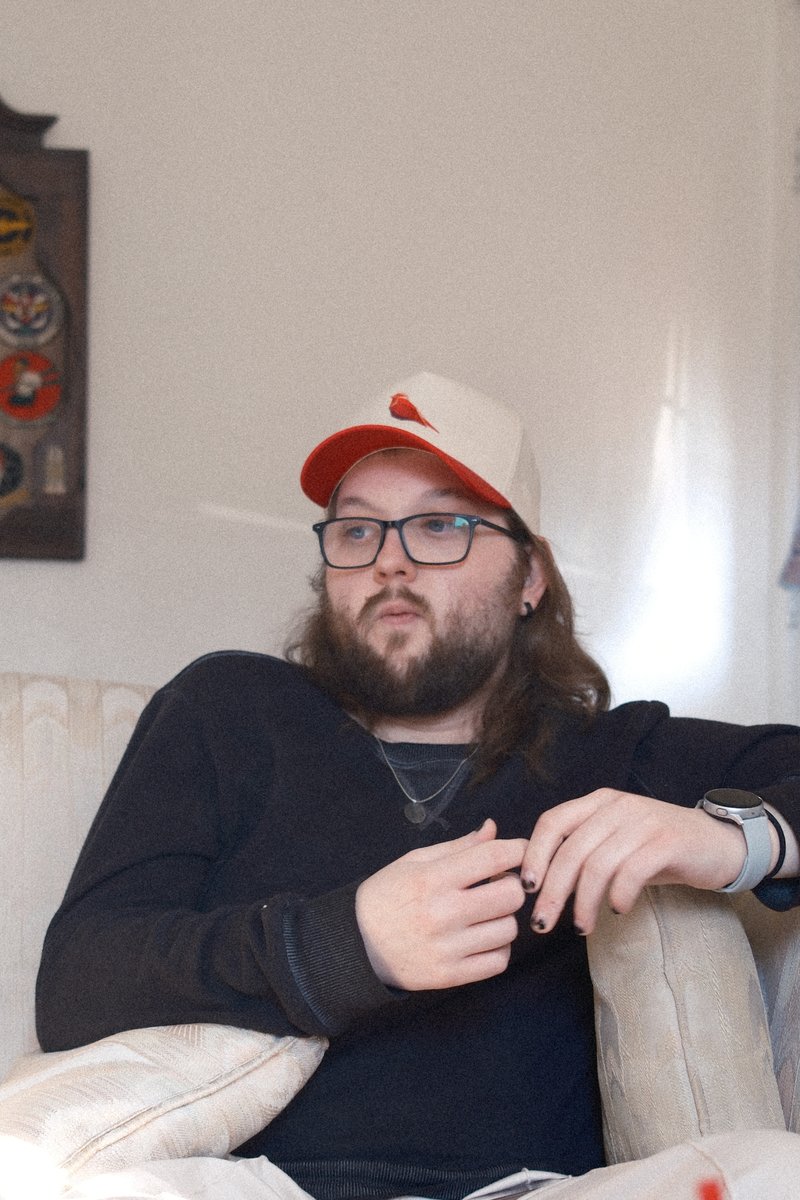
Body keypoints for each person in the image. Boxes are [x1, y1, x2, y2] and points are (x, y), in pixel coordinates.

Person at [36, 371, 800, 1200]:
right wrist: (348, 944)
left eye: (440, 525)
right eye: (357, 530)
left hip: (530, 1189)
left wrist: (733, 836)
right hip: (255, 1186)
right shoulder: (228, 711)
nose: (389, 561)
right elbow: (79, 983)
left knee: (775, 1171)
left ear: (531, 576)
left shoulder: (609, 755)